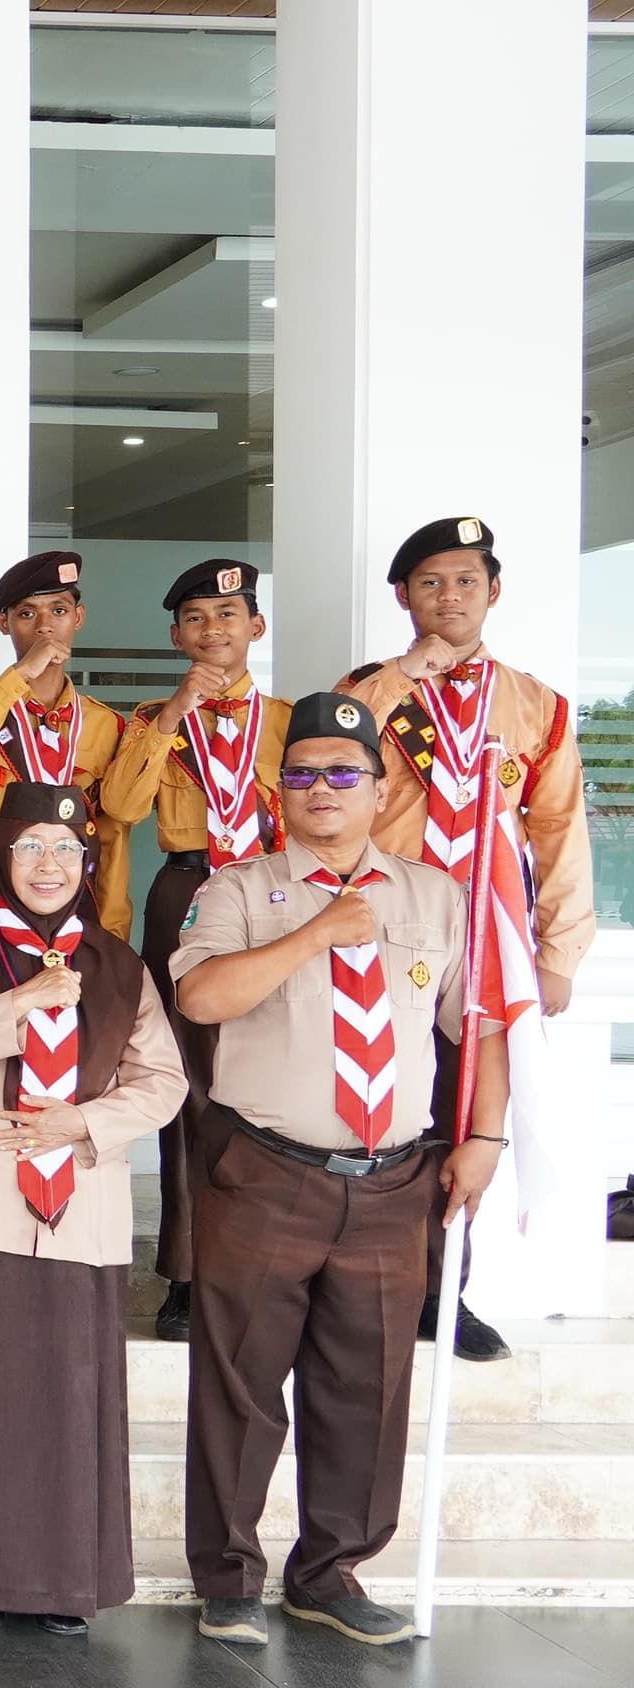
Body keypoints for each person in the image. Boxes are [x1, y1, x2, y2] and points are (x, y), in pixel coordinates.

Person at [169, 690, 505, 1650]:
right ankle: (229, 1574)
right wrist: (316, 930)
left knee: (370, 1381)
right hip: (269, 1171)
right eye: (305, 773)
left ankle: (333, 1570)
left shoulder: (438, 896)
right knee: (239, 1381)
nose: (324, 789)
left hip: (395, 1178)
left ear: (378, 787)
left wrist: (484, 1137)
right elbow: (201, 997)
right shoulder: (237, 889)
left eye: (344, 774)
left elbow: (476, 1028)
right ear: (281, 791)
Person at [0, 781, 187, 1637]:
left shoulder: (119, 966)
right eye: (30, 850)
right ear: (3, 862)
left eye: (65, 852)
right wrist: (19, 1004)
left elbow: (163, 1080)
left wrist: (82, 1122)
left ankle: (65, 1582)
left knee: (71, 1396)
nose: (49, 866)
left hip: (80, 1204)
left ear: (87, 864)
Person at [340, 515, 589, 1364]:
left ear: (494, 590)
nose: (449, 597)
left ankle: (447, 1289)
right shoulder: (372, 687)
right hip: (387, 924)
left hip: (488, 931)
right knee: (384, 1096)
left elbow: (558, 831)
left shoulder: (536, 704)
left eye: (466, 581)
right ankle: (373, 1280)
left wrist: (557, 953)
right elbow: (330, 758)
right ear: (403, 595)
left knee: (468, 1105)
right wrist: (402, 676)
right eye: (431, 582)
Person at [99, 560, 290, 1344]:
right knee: (186, 1081)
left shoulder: (290, 719)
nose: (214, 630)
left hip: (278, 897)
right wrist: (177, 710)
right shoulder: (149, 718)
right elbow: (117, 807)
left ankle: (270, 1255)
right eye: (198, 619)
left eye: (229, 614)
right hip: (185, 896)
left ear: (256, 626)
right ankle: (184, 1267)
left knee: (281, 1067)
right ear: (176, 636)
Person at [0, 551, 133, 939]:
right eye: (26, 614)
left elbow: (112, 837)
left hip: (76, 898)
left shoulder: (105, 724)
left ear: (78, 618)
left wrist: (114, 929)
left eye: (58, 610)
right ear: (3, 622)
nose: (44, 627)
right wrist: (19, 676)